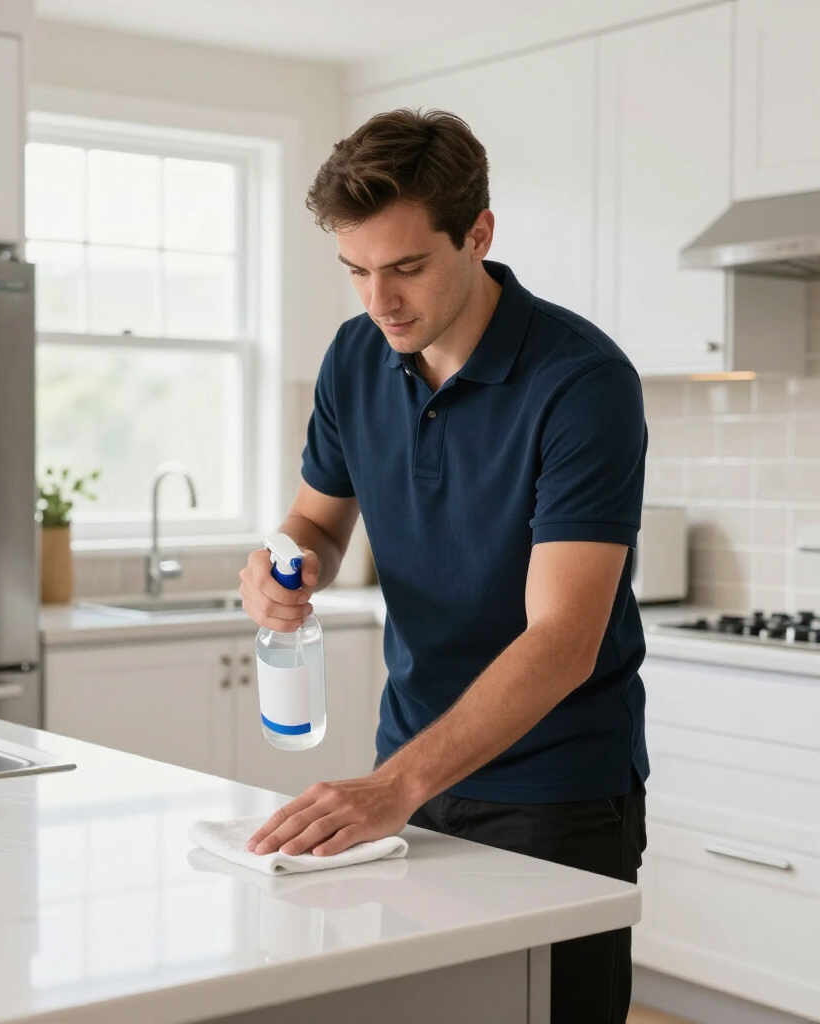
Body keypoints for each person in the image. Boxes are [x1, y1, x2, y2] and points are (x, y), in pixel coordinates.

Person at [237, 108, 649, 1024]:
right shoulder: (356, 357)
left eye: (407, 268)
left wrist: (394, 786)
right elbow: (317, 519)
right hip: (412, 775)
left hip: (555, 794)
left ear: (479, 235)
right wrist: (285, 562)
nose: (379, 301)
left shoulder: (580, 384)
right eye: (356, 272)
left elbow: (565, 639)